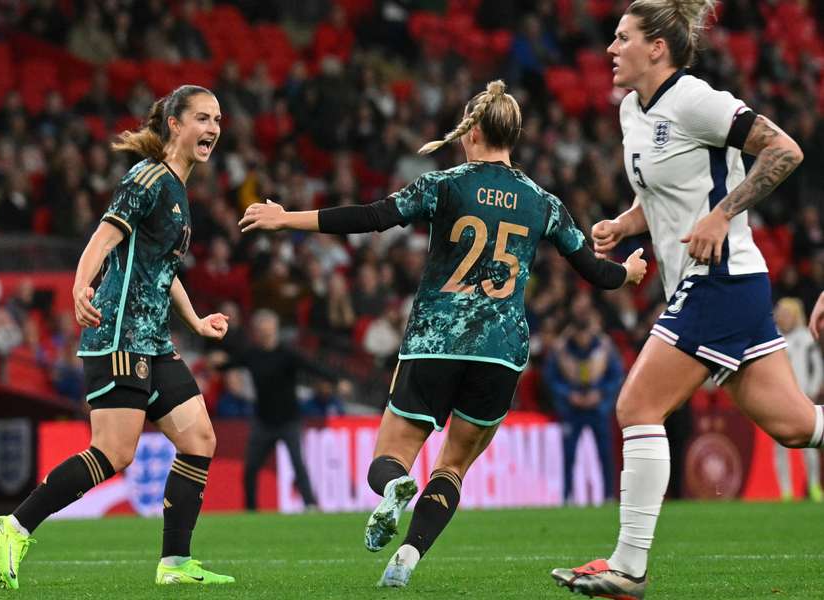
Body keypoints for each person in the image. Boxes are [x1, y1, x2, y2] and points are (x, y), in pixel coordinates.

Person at [239, 79, 647, 588]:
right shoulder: (543, 202)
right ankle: (410, 552)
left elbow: (371, 218)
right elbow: (594, 271)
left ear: (472, 132)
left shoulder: (446, 184)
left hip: (436, 342)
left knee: (388, 458)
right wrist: (627, 273)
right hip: (501, 353)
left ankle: (394, 487)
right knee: (452, 468)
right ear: (513, 137)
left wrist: (285, 219)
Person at [550, 3, 818, 599]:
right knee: (798, 427)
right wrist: (625, 223)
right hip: (725, 286)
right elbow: (668, 192)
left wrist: (723, 215)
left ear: (657, 49)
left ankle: (628, 568)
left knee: (637, 406)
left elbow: (785, 150)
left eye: (622, 39)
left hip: (721, 277)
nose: (610, 49)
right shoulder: (630, 111)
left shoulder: (696, 99)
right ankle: (626, 568)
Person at [0, 85, 236, 589]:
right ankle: (12, 527)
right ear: (175, 125)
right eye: (203, 119)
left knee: (199, 438)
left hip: (154, 341)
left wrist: (196, 321)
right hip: (118, 334)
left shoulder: (177, 189)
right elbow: (103, 235)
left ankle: (175, 564)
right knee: (115, 453)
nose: (213, 129)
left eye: (218, 119)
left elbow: (164, 268)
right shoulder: (147, 178)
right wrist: (80, 285)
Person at [219, 309, 350, 511]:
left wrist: (336, 380)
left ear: (275, 330)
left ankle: (311, 505)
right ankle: (250, 510)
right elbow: (230, 364)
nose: (265, 334)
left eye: (268, 331)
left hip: (289, 420)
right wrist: (216, 364)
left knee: (298, 465)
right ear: (256, 332)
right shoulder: (252, 355)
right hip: (263, 421)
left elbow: (312, 366)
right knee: (251, 469)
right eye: (261, 331)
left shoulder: (288, 353)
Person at [544, 300, 623, 503]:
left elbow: (616, 376)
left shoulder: (604, 346)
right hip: (572, 408)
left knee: (605, 453)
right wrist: (568, 394)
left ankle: (608, 495)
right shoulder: (562, 348)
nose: (583, 338)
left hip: (598, 408)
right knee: (569, 454)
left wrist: (601, 393)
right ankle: (567, 496)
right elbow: (551, 378)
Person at [772, 298, 823, 501]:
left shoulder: (806, 338)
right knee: (780, 446)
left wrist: (811, 390)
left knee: (810, 445)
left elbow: (817, 367)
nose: (783, 317)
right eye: (780, 313)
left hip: (803, 396)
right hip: (779, 398)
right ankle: (785, 491)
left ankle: (814, 487)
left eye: (787, 313)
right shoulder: (772, 338)